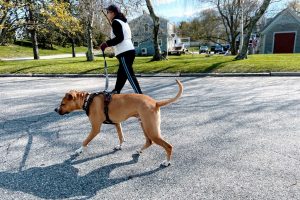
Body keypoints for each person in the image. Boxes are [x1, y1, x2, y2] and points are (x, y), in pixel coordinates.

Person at [100, 4, 143, 94]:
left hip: (125, 52)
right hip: (128, 51)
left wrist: (106, 44)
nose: (107, 14)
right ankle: (116, 90)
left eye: (108, 12)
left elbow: (120, 38)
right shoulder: (123, 22)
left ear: (113, 13)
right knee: (121, 74)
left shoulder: (115, 22)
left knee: (129, 74)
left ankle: (140, 95)